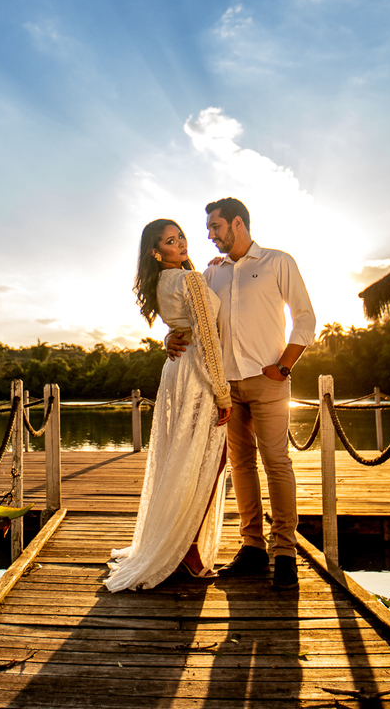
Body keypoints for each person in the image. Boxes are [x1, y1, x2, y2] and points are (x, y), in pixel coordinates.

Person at [168, 197, 316, 591]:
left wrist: (284, 365)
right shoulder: (210, 273)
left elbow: (305, 317)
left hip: (268, 381)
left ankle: (284, 550)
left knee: (277, 462)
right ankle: (252, 547)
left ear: (237, 223)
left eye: (215, 227)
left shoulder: (277, 262)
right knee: (241, 467)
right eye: (209, 230)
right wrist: (171, 335)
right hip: (226, 389)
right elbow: (192, 321)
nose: (210, 236)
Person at [105, 219, 233, 592]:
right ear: (156, 251)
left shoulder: (162, 282)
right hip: (197, 372)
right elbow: (207, 336)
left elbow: (187, 325)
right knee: (208, 460)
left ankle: (177, 544)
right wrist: (223, 393)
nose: (181, 244)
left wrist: (171, 336)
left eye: (182, 238)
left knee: (184, 457)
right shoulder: (188, 279)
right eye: (171, 241)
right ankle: (190, 549)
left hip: (177, 371)